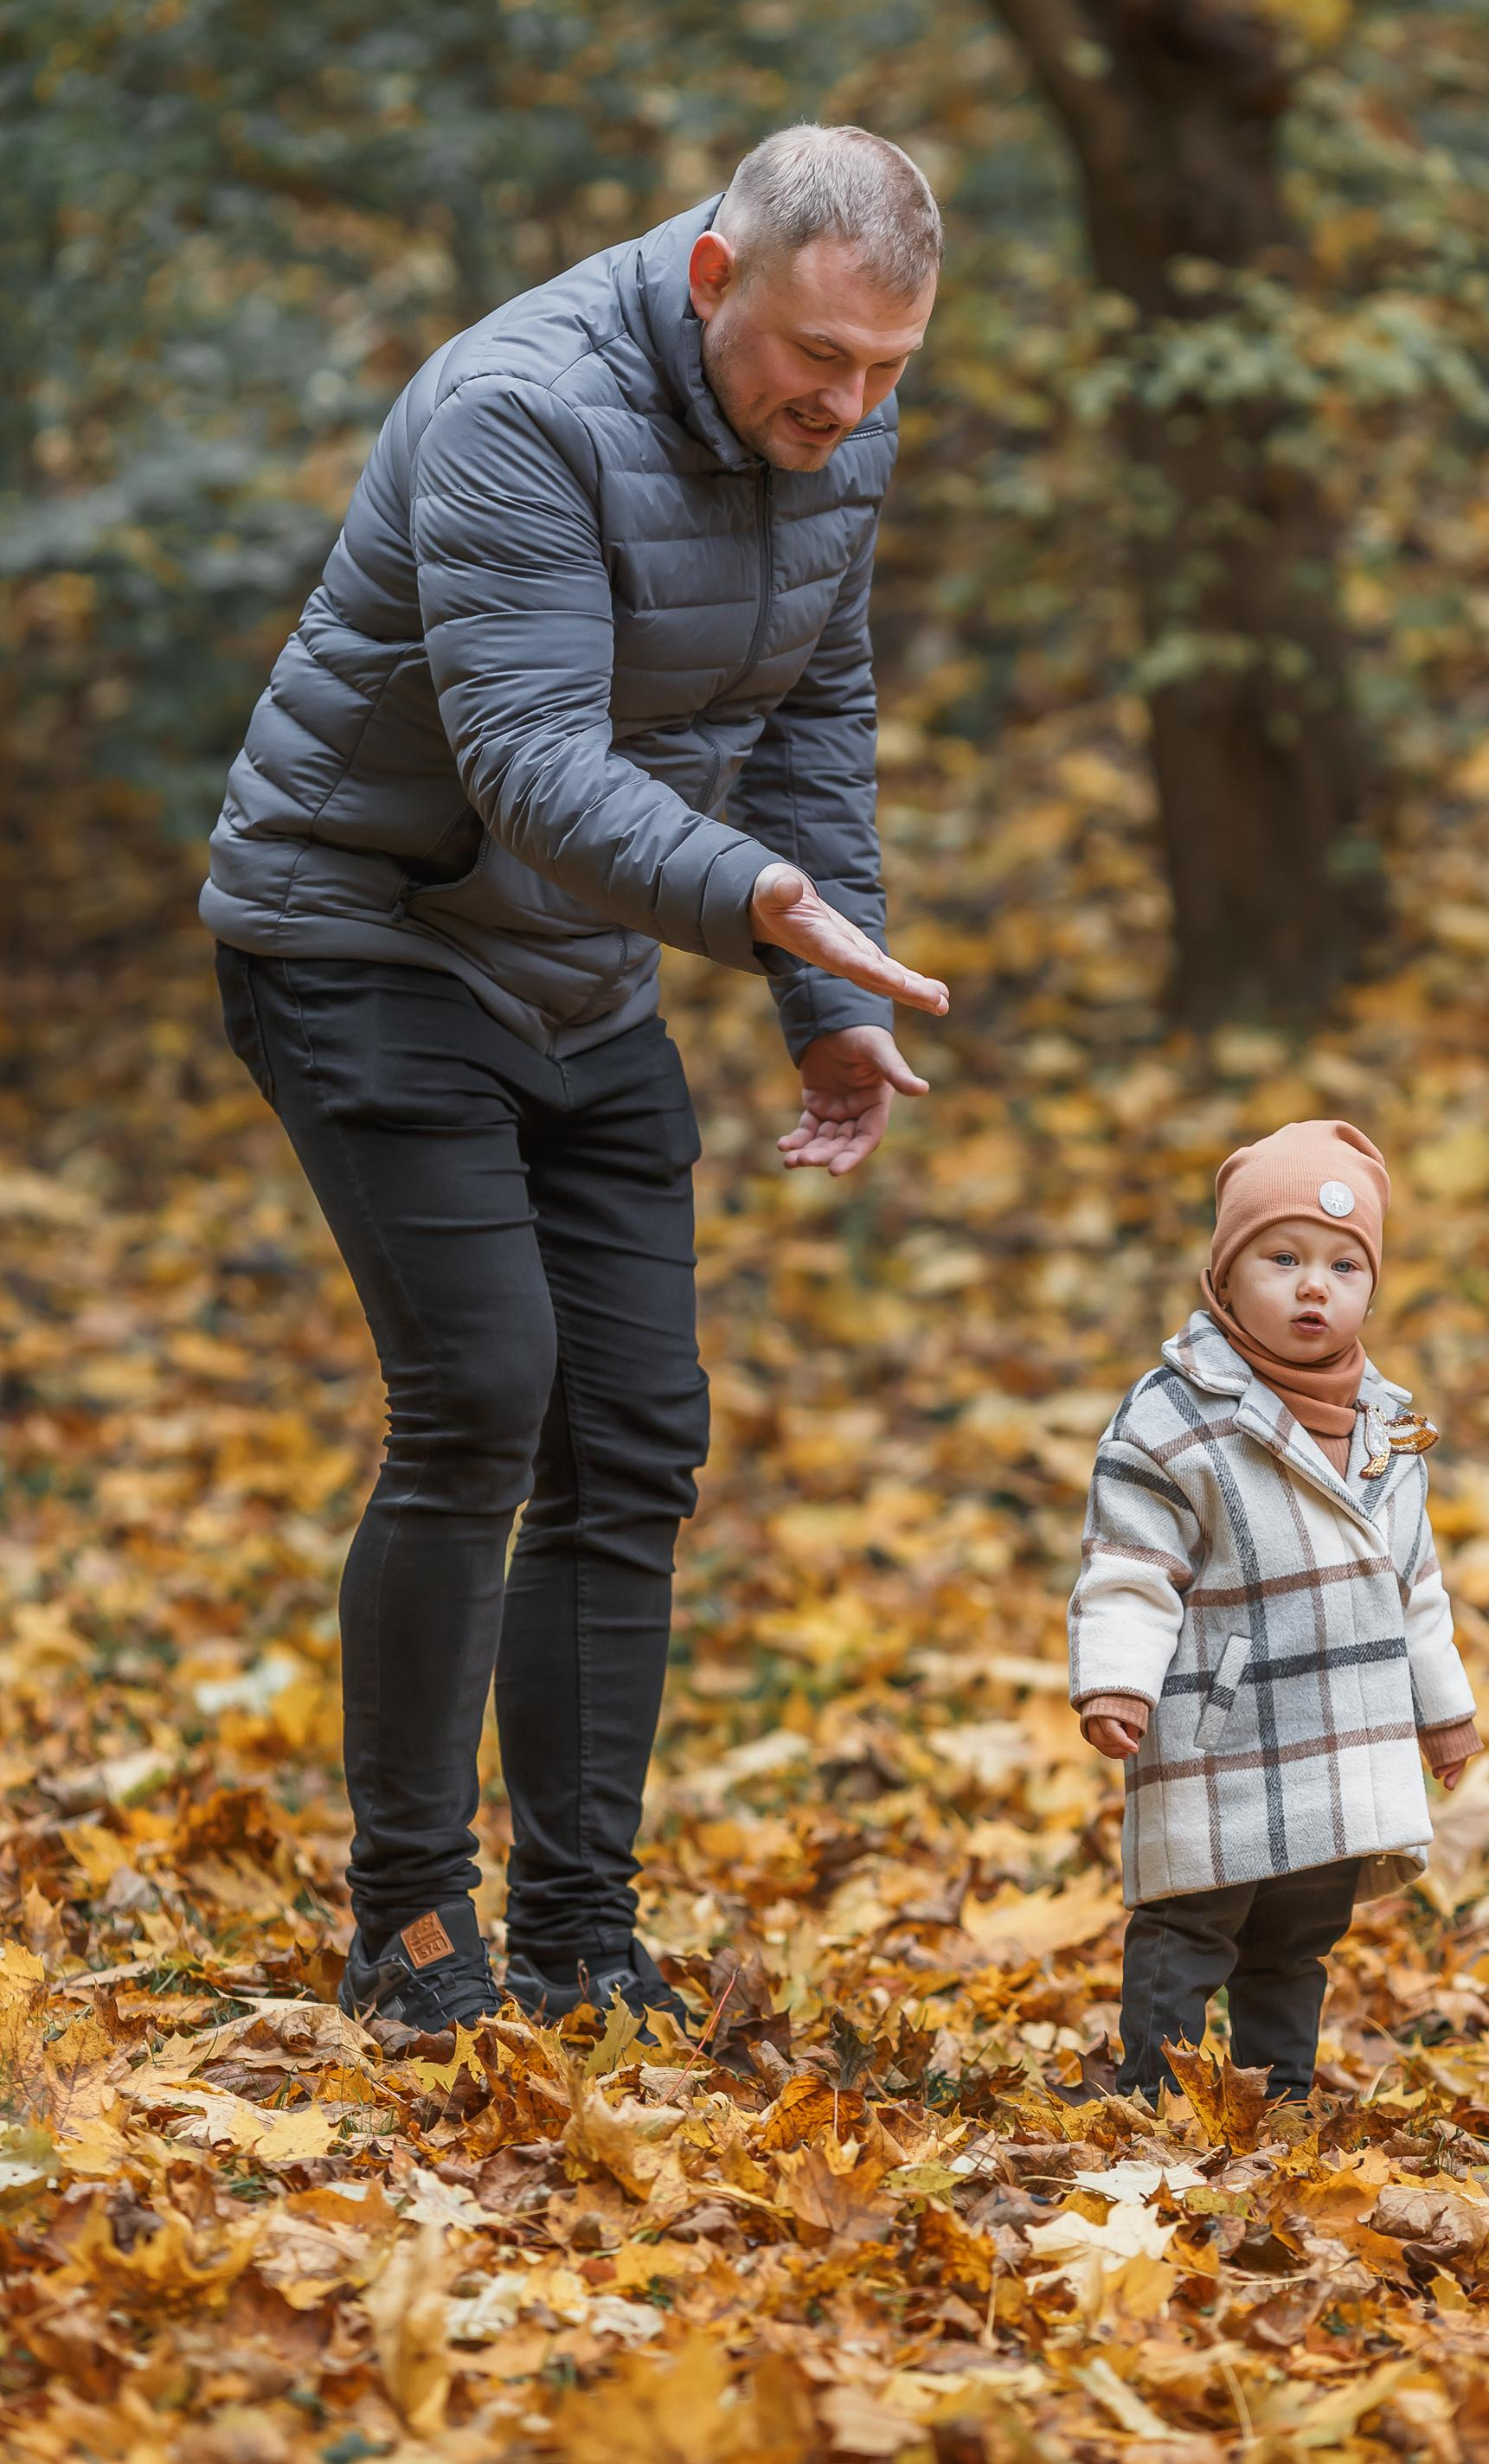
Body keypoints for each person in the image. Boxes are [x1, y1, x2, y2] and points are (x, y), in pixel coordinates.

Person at [201, 125, 950, 2032]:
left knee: (634, 1431)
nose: (847, 408)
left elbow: (812, 717)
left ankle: (577, 1934)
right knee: (482, 1395)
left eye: (885, 373)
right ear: (714, 277)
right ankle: (410, 1921)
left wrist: (821, 994)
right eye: (816, 361)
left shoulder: (828, 425)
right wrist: (764, 904)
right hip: (361, 930)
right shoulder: (514, 409)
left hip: (577, 967)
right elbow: (530, 754)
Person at [1069, 1119, 1480, 2101]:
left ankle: (1275, 2093)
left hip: (1343, 1727)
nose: (1313, 1285)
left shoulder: (1387, 1423)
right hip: (1224, 1723)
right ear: (1224, 1273)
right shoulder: (1174, 1418)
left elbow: (1414, 1584)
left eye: (1344, 1265)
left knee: (1297, 1932)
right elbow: (1129, 1564)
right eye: (1282, 1256)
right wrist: (1116, 1681)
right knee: (1193, 1913)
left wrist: (1444, 1710)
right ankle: (1156, 2087)